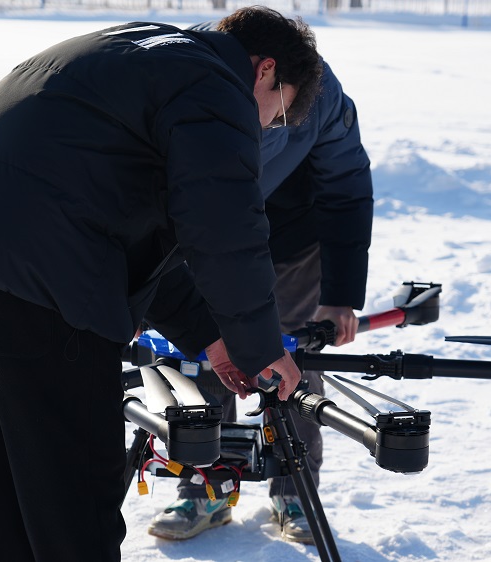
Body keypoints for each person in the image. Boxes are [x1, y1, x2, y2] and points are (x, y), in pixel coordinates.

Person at [0, 7, 322, 561]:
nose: (268, 127)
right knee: (72, 496)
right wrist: (261, 348)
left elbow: (145, 241)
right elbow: (223, 225)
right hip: (47, 278)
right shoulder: (217, 85)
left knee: (2, 484)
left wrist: (212, 336)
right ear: (266, 69)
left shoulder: (137, 49)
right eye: (279, 111)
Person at [147, 21, 374, 545]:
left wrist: (340, 297)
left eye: (285, 114)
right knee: (203, 348)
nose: (276, 121)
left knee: (289, 357)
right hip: (199, 238)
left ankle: (294, 486)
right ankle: (205, 483)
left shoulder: (320, 96)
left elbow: (346, 186)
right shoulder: (189, 72)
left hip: (291, 243)